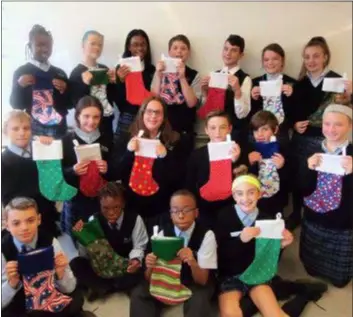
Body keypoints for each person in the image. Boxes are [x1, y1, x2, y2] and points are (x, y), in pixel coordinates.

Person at [288, 36, 351, 229]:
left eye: (316, 56)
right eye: (307, 57)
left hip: (328, 140)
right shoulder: (299, 84)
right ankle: (298, 213)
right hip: (302, 139)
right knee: (302, 177)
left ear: (325, 57)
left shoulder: (337, 81)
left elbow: (345, 113)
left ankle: (323, 212)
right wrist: (294, 124)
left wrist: (350, 95)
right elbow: (290, 111)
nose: (311, 61)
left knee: (325, 179)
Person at [1, 197, 96, 317]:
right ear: (7, 225)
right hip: (21, 303)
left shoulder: (50, 242)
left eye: (30, 220)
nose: (24, 228)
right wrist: (11, 284)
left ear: (39, 220)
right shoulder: (3, 251)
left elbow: (70, 287)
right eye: (16, 223)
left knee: (75, 298)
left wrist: (61, 274)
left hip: (49, 296)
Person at [130, 189, 217, 317]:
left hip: (193, 282)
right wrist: (150, 267)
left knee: (199, 300)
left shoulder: (206, 235)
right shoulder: (161, 233)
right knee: (139, 294)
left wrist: (192, 261)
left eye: (186, 210)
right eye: (175, 211)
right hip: (167, 278)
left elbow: (202, 280)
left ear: (196, 213)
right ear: (170, 214)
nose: (181, 216)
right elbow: (149, 278)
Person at [216, 174, 293, 317]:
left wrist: (281, 246)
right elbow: (220, 256)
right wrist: (240, 240)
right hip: (230, 275)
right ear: (234, 196)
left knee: (275, 313)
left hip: (258, 273)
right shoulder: (224, 216)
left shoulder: (267, 219)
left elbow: (269, 258)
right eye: (240, 194)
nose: (245, 198)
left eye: (251, 192)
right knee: (230, 313)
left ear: (259, 194)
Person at [112, 96, 182, 234]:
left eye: (158, 112)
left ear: (164, 117)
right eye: (149, 111)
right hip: (131, 207)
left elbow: (177, 179)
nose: (153, 116)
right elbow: (115, 172)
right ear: (142, 114)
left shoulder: (174, 140)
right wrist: (128, 152)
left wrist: (165, 156)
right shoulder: (126, 137)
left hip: (161, 209)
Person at [301, 104, 353, 288]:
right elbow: (301, 187)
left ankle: (337, 276)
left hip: (342, 218)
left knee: (339, 276)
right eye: (327, 123)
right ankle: (313, 267)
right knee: (312, 259)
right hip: (313, 213)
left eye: (338, 124)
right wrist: (308, 168)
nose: (331, 129)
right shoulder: (310, 148)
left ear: (350, 126)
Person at [70, 182, 148, 301]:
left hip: (124, 265)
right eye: (105, 208)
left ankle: (104, 287)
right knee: (76, 263)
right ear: (100, 205)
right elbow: (86, 255)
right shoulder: (94, 220)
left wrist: (135, 260)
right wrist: (82, 236)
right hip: (102, 267)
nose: (111, 213)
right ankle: (109, 286)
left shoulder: (134, 219)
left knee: (144, 266)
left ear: (123, 204)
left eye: (116, 207)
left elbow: (139, 246)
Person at [2, 110, 60, 236]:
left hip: (47, 217)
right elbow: (8, 199)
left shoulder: (40, 150)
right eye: (15, 129)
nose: (22, 133)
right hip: (23, 223)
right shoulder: (3, 162)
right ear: (6, 131)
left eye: (26, 128)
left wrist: (50, 147)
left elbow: (54, 178)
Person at [61, 96, 113, 236]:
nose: (91, 121)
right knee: (79, 236)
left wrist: (107, 168)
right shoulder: (66, 140)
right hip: (76, 200)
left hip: (101, 199)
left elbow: (115, 171)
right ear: (78, 116)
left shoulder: (107, 139)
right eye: (86, 116)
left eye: (96, 117)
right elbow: (59, 174)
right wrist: (73, 170)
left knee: (101, 237)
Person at [185, 110, 246, 229]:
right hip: (204, 210)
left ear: (229, 129)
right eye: (213, 128)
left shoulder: (239, 152)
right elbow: (190, 184)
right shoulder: (197, 155)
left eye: (222, 127)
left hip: (232, 208)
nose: (217, 132)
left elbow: (246, 181)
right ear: (206, 130)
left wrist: (236, 161)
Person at [9, 24, 71, 138]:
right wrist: (19, 86)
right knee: (35, 155)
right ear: (30, 46)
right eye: (39, 45)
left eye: (48, 45)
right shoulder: (21, 72)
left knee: (59, 155)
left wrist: (65, 90)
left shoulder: (60, 73)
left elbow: (70, 104)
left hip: (59, 128)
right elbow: (15, 105)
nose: (45, 49)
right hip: (32, 128)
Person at [151, 34, 201, 161]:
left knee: (183, 169)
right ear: (169, 52)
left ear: (188, 53)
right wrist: (158, 75)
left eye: (183, 48)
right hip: (161, 129)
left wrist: (182, 78)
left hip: (184, 131)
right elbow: (153, 99)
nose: (179, 51)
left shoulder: (194, 74)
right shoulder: (159, 71)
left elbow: (191, 103)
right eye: (175, 48)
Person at [200, 34, 251, 151]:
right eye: (226, 49)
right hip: (215, 133)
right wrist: (204, 92)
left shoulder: (244, 78)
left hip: (235, 132)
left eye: (234, 50)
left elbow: (242, 114)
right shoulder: (214, 74)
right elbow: (208, 110)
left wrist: (237, 90)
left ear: (241, 55)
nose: (228, 53)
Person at [69, 30, 116, 139]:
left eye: (100, 45)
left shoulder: (105, 69)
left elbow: (112, 97)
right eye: (93, 43)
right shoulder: (77, 72)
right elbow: (75, 103)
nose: (97, 47)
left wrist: (114, 82)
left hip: (106, 122)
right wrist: (84, 84)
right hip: (88, 124)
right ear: (83, 45)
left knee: (106, 151)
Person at [250, 43, 296, 150]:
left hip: (282, 133)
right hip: (259, 133)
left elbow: (297, 111)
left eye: (275, 59)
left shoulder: (292, 83)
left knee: (281, 162)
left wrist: (292, 95)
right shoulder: (255, 82)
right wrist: (253, 98)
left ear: (282, 61)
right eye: (266, 60)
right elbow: (248, 114)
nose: (270, 62)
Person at [114, 29, 155, 136]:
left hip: (148, 117)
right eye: (135, 45)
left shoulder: (152, 70)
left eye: (143, 44)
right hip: (128, 117)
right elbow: (118, 101)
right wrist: (121, 81)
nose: (140, 48)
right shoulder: (121, 68)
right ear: (129, 47)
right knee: (123, 149)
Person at [248, 111, 289, 216]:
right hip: (254, 200)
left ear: (275, 130)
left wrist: (282, 167)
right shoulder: (249, 149)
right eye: (256, 130)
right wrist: (249, 162)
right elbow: (245, 177)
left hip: (277, 199)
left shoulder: (283, 149)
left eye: (265, 129)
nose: (259, 134)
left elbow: (291, 178)